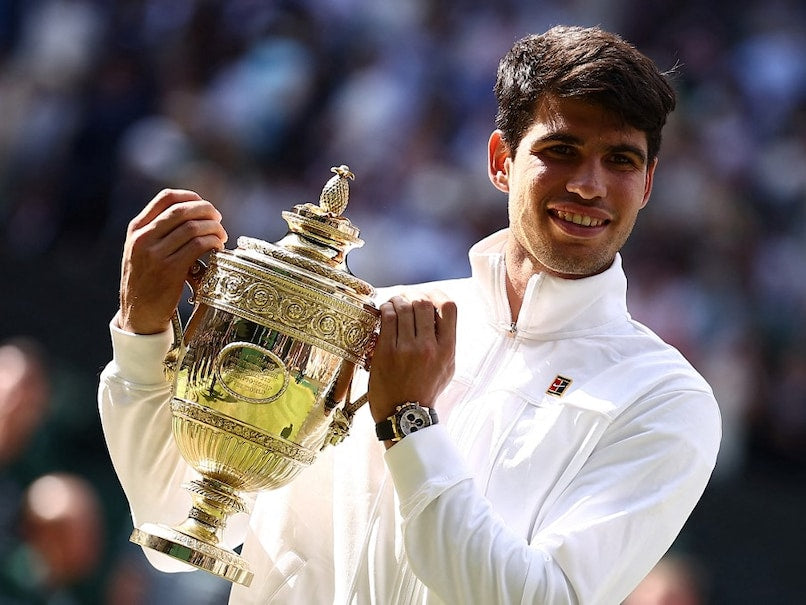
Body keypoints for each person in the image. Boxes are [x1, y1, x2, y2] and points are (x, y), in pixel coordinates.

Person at [98, 25, 721, 604]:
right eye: (561, 149)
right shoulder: (369, 318)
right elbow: (181, 517)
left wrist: (408, 423)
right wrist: (143, 333)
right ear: (501, 160)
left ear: (647, 183)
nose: (589, 184)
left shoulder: (665, 399)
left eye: (621, 160)